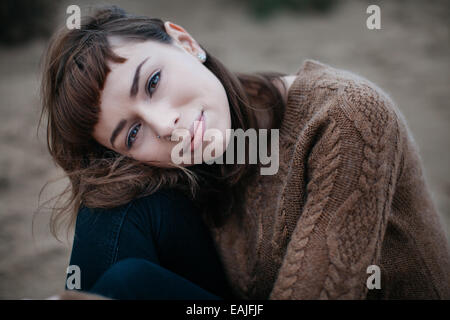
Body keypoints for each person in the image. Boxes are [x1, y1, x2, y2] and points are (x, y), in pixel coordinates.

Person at [39, 5, 450, 300]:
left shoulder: (346, 113)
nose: (165, 126)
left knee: (129, 284)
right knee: (110, 206)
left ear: (184, 41)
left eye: (153, 82)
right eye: (131, 134)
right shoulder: (185, 164)